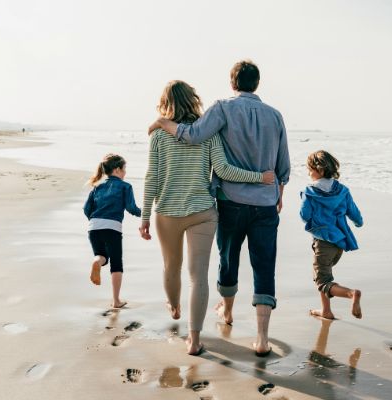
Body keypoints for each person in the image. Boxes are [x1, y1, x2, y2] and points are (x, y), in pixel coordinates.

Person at [149, 60, 290, 357]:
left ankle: (226, 311)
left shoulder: (223, 109)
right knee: (264, 266)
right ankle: (263, 339)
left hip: (231, 202)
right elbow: (282, 165)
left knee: (228, 259)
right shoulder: (275, 116)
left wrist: (163, 123)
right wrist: (279, 190)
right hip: (265, 202)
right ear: (258, 83)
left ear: (232, 82)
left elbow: (193, 135)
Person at [300, 150, 364, 320]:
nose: (309, 173)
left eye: (310, 169)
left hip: (323, 241)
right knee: (323, 276)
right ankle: (326, 310)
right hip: (340, 241)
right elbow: (354, 213)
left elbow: (304, 215)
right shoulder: (342, 190)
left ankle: (351, 294)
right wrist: (358, 222)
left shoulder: (310, 191)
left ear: (319, 170)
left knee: (322, 280)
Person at [83, 154, 141, 309]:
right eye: (124, 169)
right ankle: (116, 300)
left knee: (101, 256)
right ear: (117, 170)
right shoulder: (125, 186)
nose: (125, 173)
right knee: (116, 263)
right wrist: (143, 213)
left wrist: (94, 220)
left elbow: (86, 209)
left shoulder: (97, 187)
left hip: (94, 227)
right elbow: (131, 208)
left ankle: (97, 262)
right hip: (112, 228)